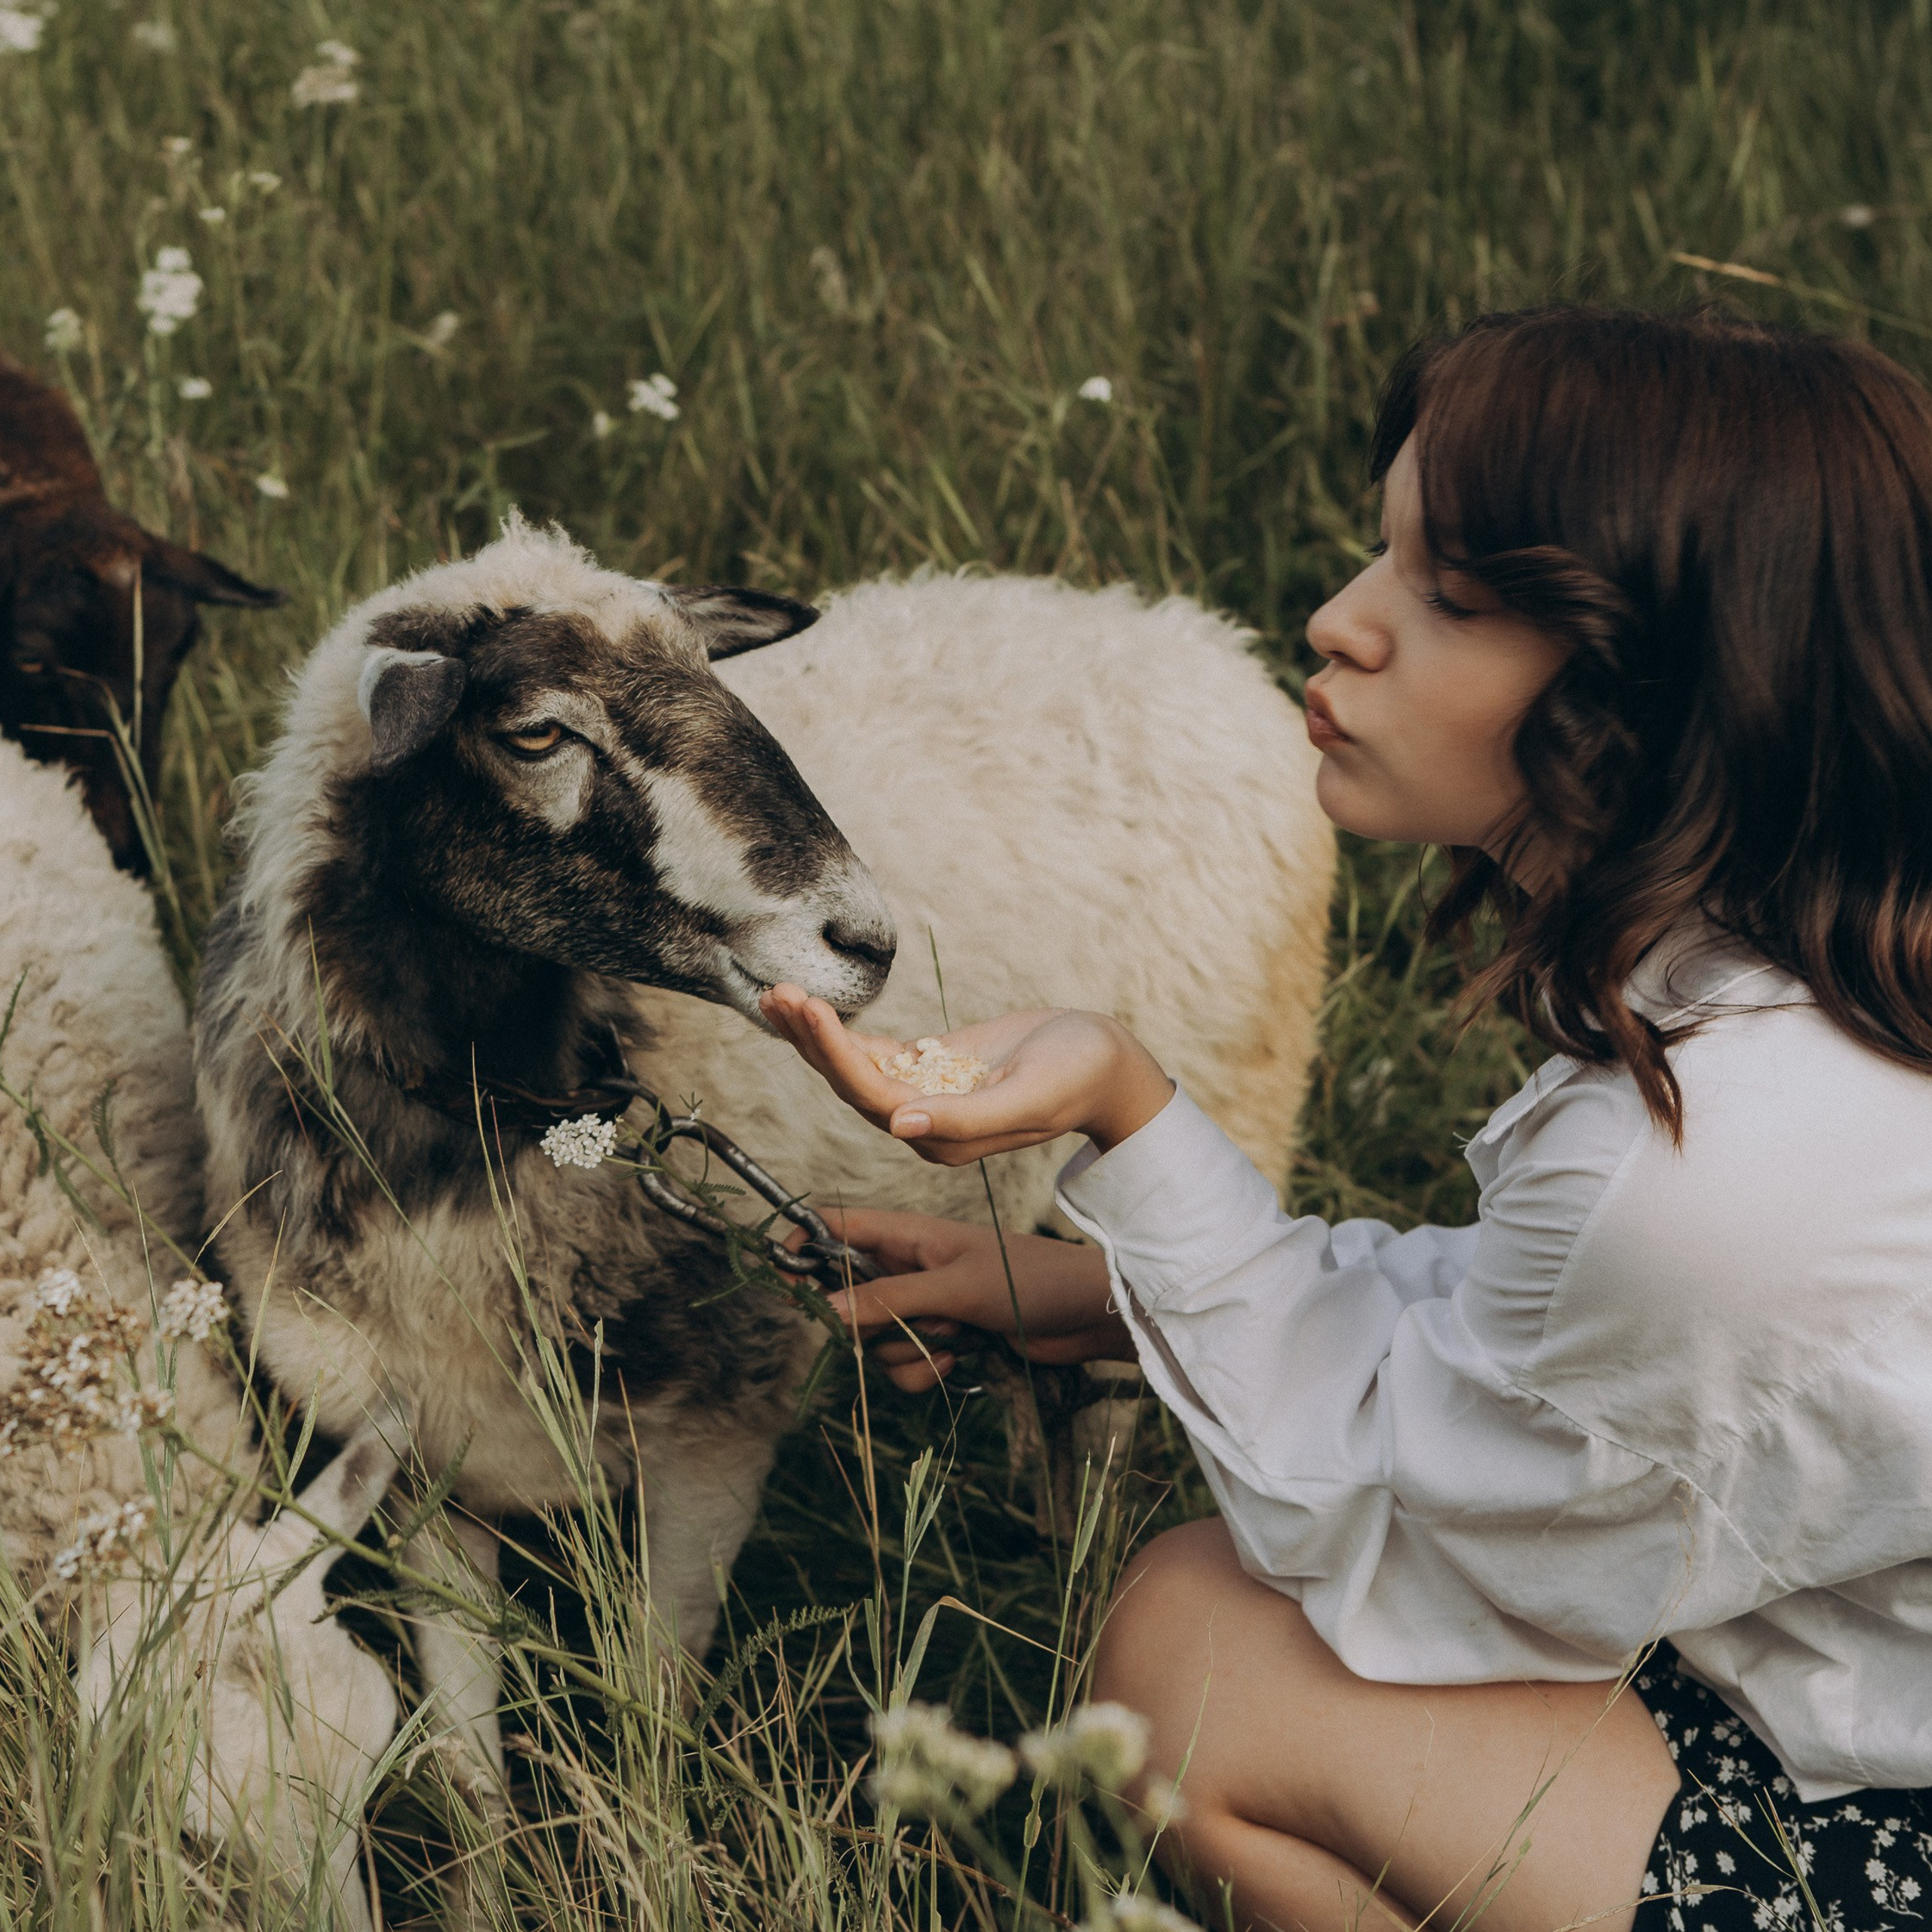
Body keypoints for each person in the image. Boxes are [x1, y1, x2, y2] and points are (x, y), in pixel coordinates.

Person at [759, 306, 1932, 1931]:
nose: (1337, 621)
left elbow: (1422, 1554)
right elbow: (1576, 1358)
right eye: (1383, 555)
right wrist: (1100, 1294)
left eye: (1451, 597)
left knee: (1197, 1664)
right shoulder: (1822, 990)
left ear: (1672, 684)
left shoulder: (1708, 1163)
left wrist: (1125, 1103)